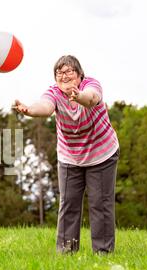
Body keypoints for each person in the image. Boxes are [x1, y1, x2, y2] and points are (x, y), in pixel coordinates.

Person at [14, 55, 119, 254]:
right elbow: (44, 107)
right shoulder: (54, 93)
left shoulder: (91, 85)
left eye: (69, 71)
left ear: (80, 75)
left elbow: (91, 98)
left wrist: (77, 96)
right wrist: (29, 110)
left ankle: (103, 253)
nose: (64, 76)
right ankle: (67, 252)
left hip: (102, 154)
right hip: (70, 157)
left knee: (100, 204)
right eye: (59, 73)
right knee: (69, 204)